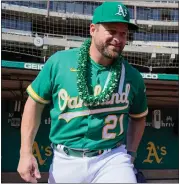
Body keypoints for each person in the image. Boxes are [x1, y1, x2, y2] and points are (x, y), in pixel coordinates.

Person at [17, 1, 148, 183]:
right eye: (111, 31)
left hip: (111, 158)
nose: (118, 38)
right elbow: (34, 103)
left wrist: (131, 154)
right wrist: (25, 153)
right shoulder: (59, 62)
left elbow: (139, 116)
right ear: (92, 29)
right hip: (66, 159)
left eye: (123, 33)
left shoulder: (132, 76)